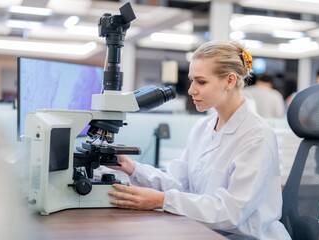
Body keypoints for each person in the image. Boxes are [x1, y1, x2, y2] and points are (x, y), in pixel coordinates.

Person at [108, 41, 291, 239]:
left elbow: (231, 212)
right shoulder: (203, 128)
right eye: (191, 80)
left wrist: (161, 200)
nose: (191, 90)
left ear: (230, 81)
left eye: (201, 82)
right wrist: (132, 167)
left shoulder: (257, 136)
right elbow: (178, 184)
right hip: (206, 232)